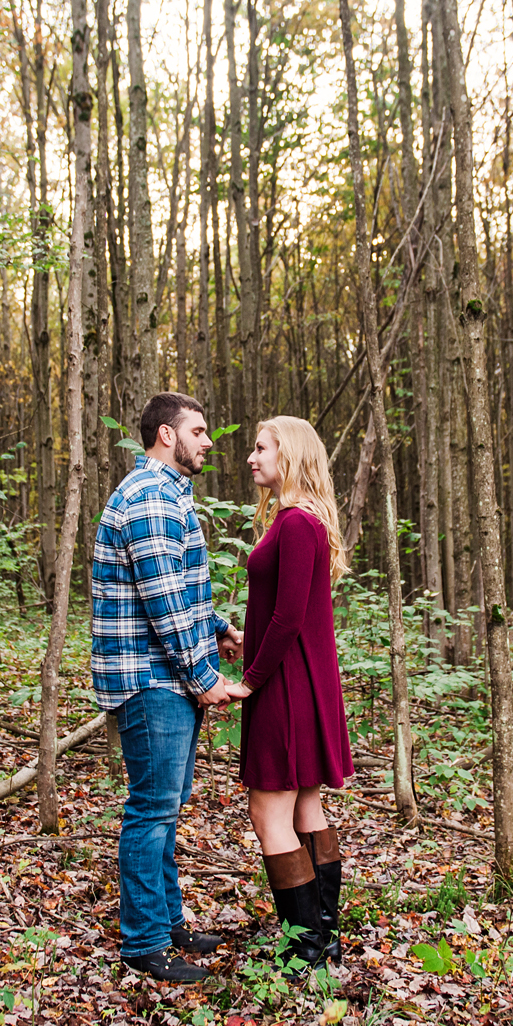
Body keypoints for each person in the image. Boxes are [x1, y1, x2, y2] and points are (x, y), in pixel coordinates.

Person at [91, 392, 248, 983]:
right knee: (151, 811)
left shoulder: (169, 497)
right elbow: (161, 603)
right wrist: (207, 678)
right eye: (199, 431)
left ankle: (168, 921)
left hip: (165, 677)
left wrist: (219, 629)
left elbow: (178, 592)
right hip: (151, 680)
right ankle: (145, 945)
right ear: (166, 435)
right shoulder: (150, 498)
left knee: (165, 810)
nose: (208, 442)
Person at [239, 416, 354, 970]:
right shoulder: (297, 522)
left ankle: (305, 946)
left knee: (269, 813)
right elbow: (290, 612)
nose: (251, 457)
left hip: (286, 686)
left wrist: (250, 680)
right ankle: (322, 936)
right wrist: (246, 636)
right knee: (306, 803)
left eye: (261, 448)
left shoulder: (295, 524)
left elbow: (287, 618)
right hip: (300, 680)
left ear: (290, 454)